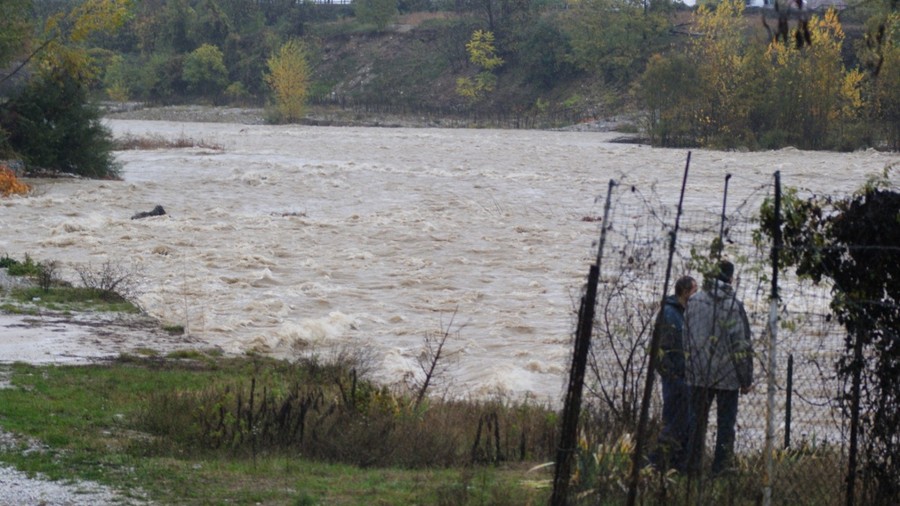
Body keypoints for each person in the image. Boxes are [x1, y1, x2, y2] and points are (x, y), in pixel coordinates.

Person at [683, 260, 753, 476]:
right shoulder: (734, 306)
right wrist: (745, 379)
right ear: (730, 279)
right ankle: (720, 469)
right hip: (726, 377)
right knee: (725, 425)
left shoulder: (693, 302)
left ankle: (692, 468)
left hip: (698, 374)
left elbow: (685, 337)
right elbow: (740, 345)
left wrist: (690, 367)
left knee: (696, 423)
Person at [650, 275, 697, 472]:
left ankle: (676, 466)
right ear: (685, 292)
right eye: (694, 291)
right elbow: (660, 350)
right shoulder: (669, 314)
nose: (697, 295)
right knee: (673, 423)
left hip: (684, 378)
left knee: (683, 424)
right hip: (675, 380)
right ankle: (657, 464)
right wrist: (672, 376)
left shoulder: (683, 313)